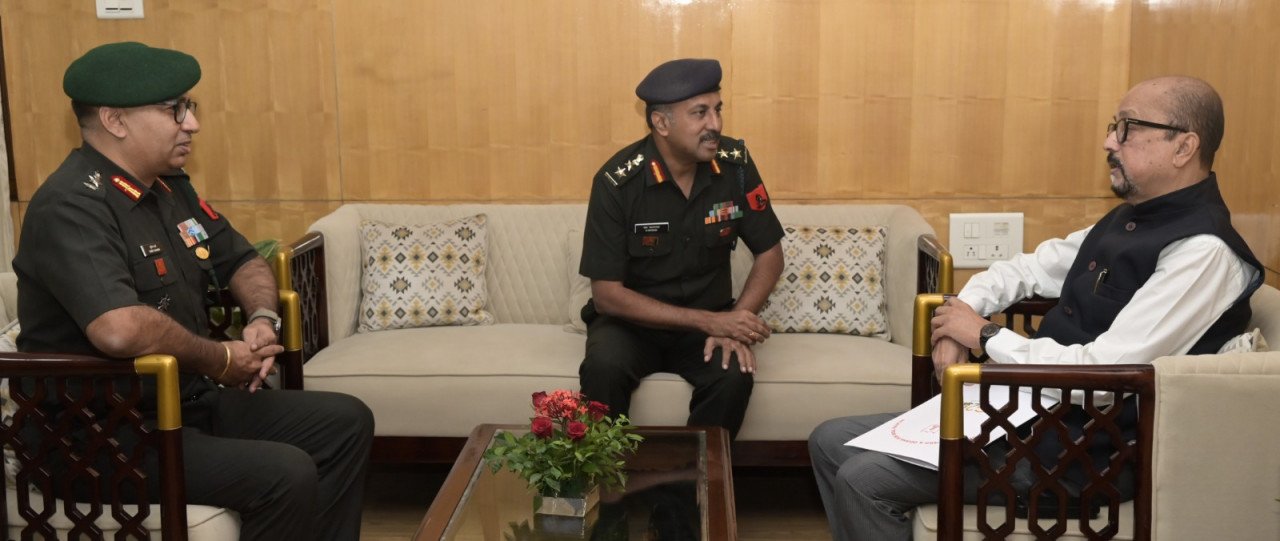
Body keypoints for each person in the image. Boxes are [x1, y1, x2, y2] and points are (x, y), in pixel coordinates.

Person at [808, 75, 1263, 540]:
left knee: (865, 480)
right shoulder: (1132, 217)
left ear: (1184, 147)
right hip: (1029, 414)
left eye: (1128, 127)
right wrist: (958, 315)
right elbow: (1025, 269)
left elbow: (1108, 374)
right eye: (1114, 125)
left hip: (1083, 456)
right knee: (829, 440)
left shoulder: (1204, 251)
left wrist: (984, 336)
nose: (1110, 141)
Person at [13, 42, 374, 541]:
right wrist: (219, 358)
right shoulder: (71, 205)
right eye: (174, 110)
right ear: (115, 120)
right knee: (284, 473)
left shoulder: (168, 187)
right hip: (99, 436)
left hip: (185, 404)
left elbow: (242, 259)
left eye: (190, 106)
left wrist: (262, 317)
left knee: (346, 421)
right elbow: (119, 329)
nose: (192, 124)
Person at [577, 58, 785, 440]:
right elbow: (607, 295)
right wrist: (709, 322)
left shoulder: (735, 166)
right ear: (661, 123)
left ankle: (692, 479)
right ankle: (606, 477)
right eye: (700, 113)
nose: (715, 124)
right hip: (632, 326)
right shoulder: (617, 182)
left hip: (709, 323)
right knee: (603, 367)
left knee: (733, 375)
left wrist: (735, 322)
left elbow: (770, 253)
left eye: (718, 110)